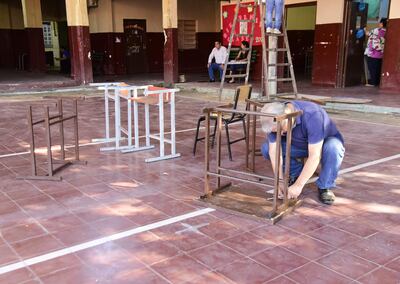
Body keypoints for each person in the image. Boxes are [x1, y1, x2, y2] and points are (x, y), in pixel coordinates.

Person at [260, 101, 345, 205]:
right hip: (297, 145)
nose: (280, 133)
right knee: (266, 148)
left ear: (286, 118)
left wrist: (298, 185)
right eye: (275, 132)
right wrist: (280, 181)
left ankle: (325, 186)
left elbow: (315, 155)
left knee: (333, 147)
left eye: (281, 130)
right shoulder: (272, 119)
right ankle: (296, 173)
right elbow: (274, 152)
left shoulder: (313, 115)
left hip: (322, 144)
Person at [364, 18, 387, 87]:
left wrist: (364, 29)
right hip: (381, 54)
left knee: (372, 68)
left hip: (372, 53)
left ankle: (373, 82)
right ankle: (376, 82)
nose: (379, 24)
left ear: (382, 24)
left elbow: (368, 34)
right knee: (378, 69)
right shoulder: (387, 32)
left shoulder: (376, 30)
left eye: (380, 23)